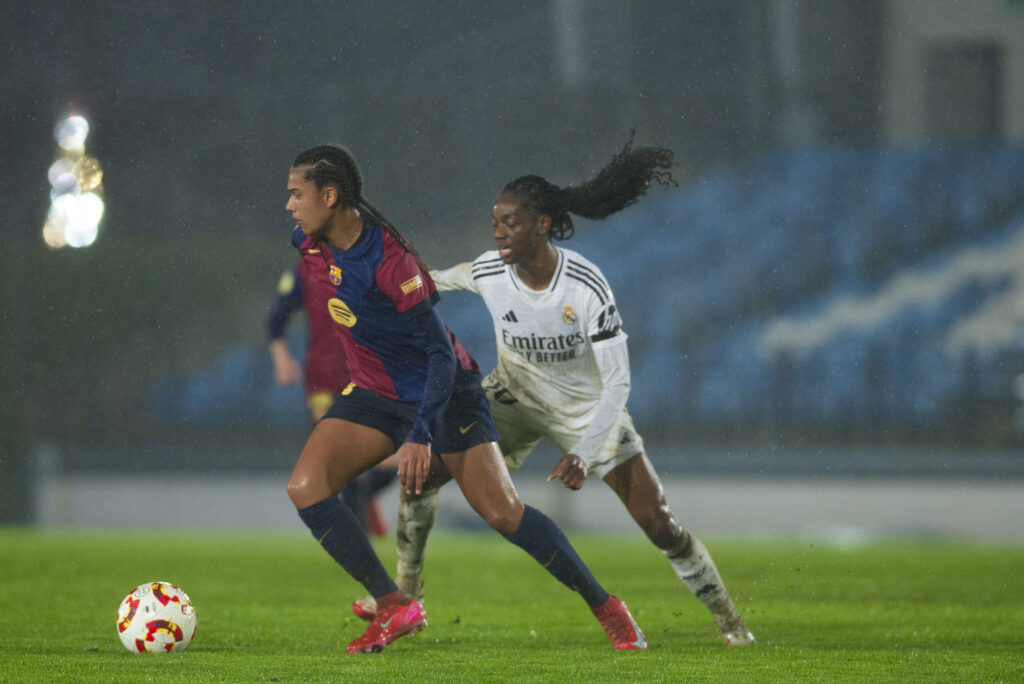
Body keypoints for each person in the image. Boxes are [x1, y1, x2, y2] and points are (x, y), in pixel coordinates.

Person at [353, 134, 755, 646]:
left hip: (587, 411)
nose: (498, 232)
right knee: (420, 478)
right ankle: (407, 594)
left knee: (658, 522)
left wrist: (585, 454)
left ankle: (729, 620)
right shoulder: (490, 270)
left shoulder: (585, 287)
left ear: (542, 225)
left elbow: (618, 383)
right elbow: (430, 281)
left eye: (510, 222)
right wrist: (375, 284)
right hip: (512, 397)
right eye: (495, 221)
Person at [284, 143, 647, 654]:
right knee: (307, 486)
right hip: (373, 390)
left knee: (503, 514)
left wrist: (418, 435)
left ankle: (607, 606)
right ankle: (394, 605)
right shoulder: (309, 242)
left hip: (442, 392)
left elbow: (440, 356)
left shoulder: (392, 261)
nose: (289, 205)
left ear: (330, 194)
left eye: (296, 194)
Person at [267, 259, 395, 537]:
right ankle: (361, 549)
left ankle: (363, 496)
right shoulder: (305, 269)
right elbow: (277, 318)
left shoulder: (371, 261)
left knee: (391, 463)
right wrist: (282, 360)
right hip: (324, 380)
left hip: (369, 375)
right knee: (344, 463)